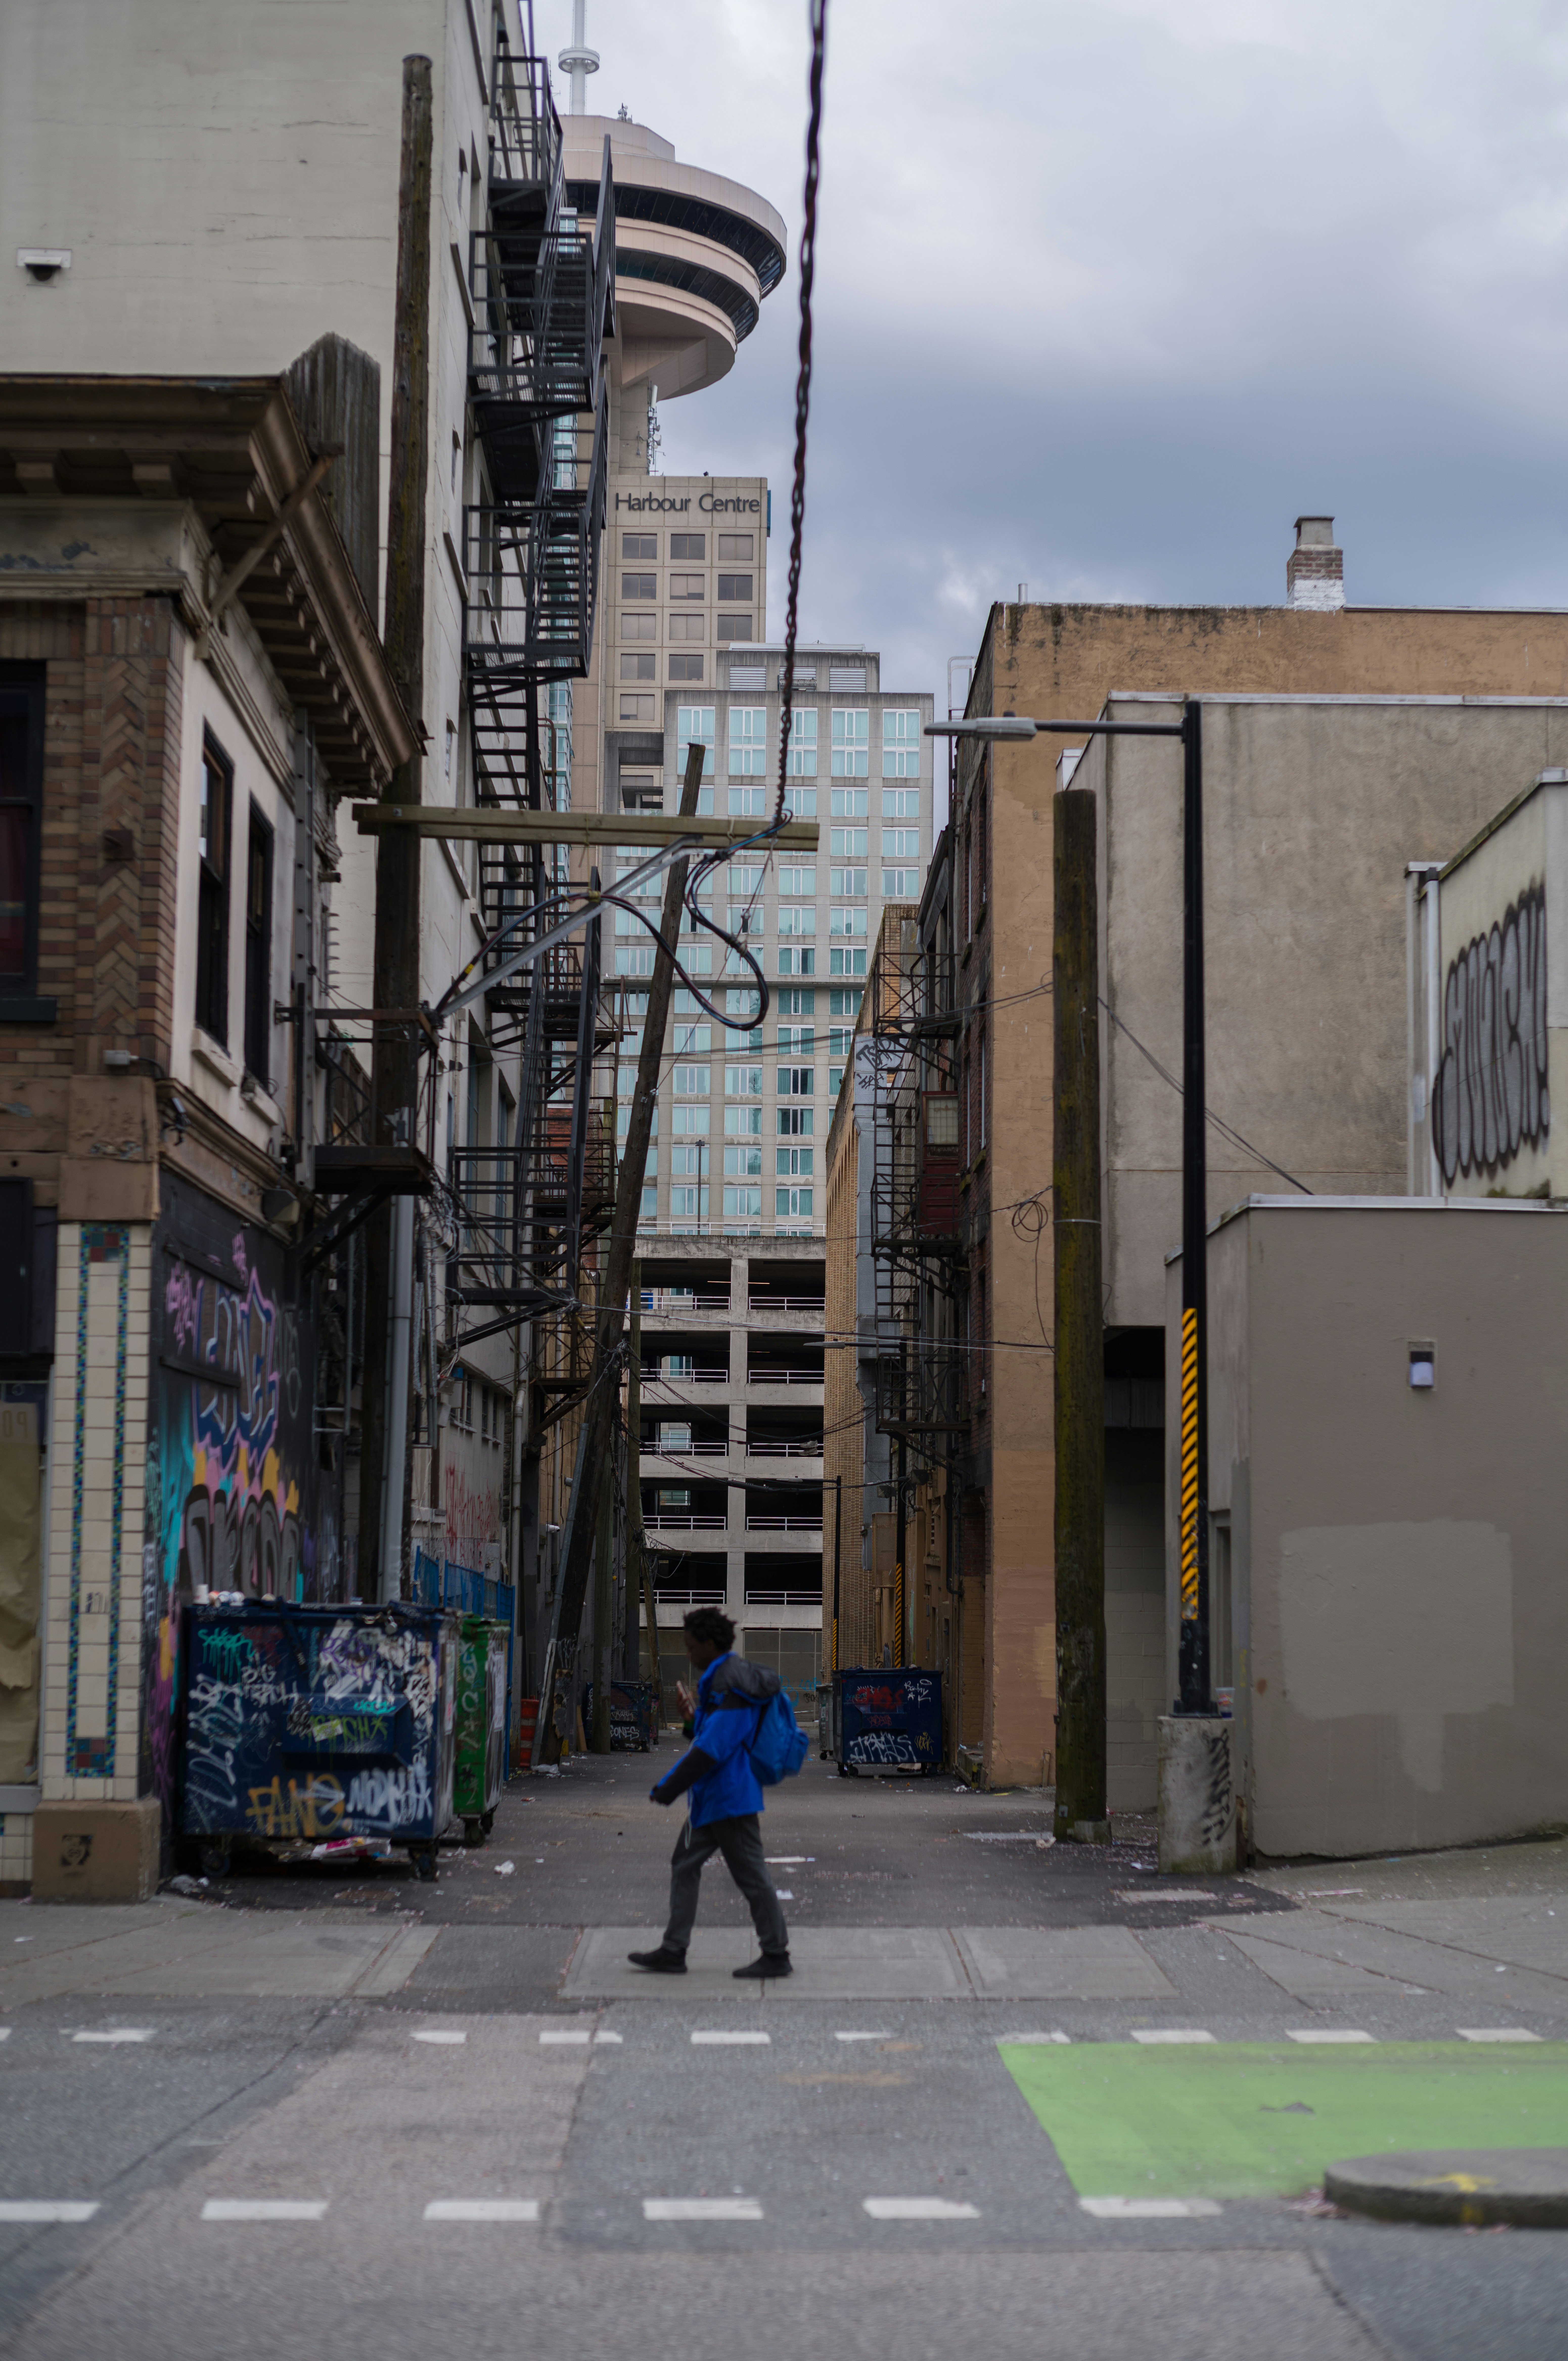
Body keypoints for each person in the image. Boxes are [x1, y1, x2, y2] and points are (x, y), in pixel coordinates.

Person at [629, 1606, 791, 1979]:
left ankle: (776, 1954)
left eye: (690, 1647)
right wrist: (690, 1719)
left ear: (709, 1644)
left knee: (751, 1876)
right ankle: (674, 1950)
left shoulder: (732, 1684)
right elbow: (707, 1738)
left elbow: (713, 1749)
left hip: (729, 1801)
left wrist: (668, 1788)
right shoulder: (720, 1680)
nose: (688, 1655)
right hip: (713, 1800)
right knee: (685, 1865)